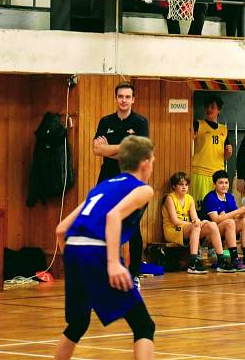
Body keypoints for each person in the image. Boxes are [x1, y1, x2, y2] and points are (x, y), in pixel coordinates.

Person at [53, 135, 156, 360]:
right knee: (143, 325)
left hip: (73, 249)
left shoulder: (101, 188)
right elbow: (113, 216)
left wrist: (73, 261)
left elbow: (61, 229)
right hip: (97, 251)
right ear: (145, 163)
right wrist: (112, 264)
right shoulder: (143, 189)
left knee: (78, 323)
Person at [93, 81, 148, 279]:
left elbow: (139, 154)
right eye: (120, 96)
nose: (123, 100)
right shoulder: (105, 122)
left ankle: (134, 275)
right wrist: (125, 149)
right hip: (107, 179)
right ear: (116, 98)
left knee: (132, 226)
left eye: (127, 97)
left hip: (131, 180)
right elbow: (97, 149)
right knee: (103, 222)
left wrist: (110, 150)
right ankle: (107, 269)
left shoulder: (140, 123)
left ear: (133, 99)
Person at [161, 171, 227, 274]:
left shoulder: (190, 198)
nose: (184, 187)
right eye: (181, 184)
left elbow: (195, 218)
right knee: (195, 226)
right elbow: (175, 221)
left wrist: (201, 221)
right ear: (174, 186)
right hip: (172, 229)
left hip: (187, 228)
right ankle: (193, 263)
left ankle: (221, 260)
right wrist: (194, 224)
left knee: (212, 225)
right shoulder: (169, 198)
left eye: (186, 184)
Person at [201, 170, 245, 272]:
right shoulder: (211, 197)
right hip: (209, 234)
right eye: (221, 183)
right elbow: (216, 219)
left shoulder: (230, 197)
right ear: (214, 184)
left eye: (226, 183)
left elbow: (235, 216)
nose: (224, 185)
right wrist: (235, 212)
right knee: (229, 222)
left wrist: (244, 212)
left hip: (226, 229)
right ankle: (234, 259)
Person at [189, 95, 233, 206]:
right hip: (200, 170)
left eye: (212, 107)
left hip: (217, 172)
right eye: (207, 107)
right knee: (200, 205)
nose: (209, 109)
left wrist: (228, 152)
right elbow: (187, 141)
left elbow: (226, 156)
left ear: (219, 110)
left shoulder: (224, 129)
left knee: (217, 207)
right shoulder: (198, 124)